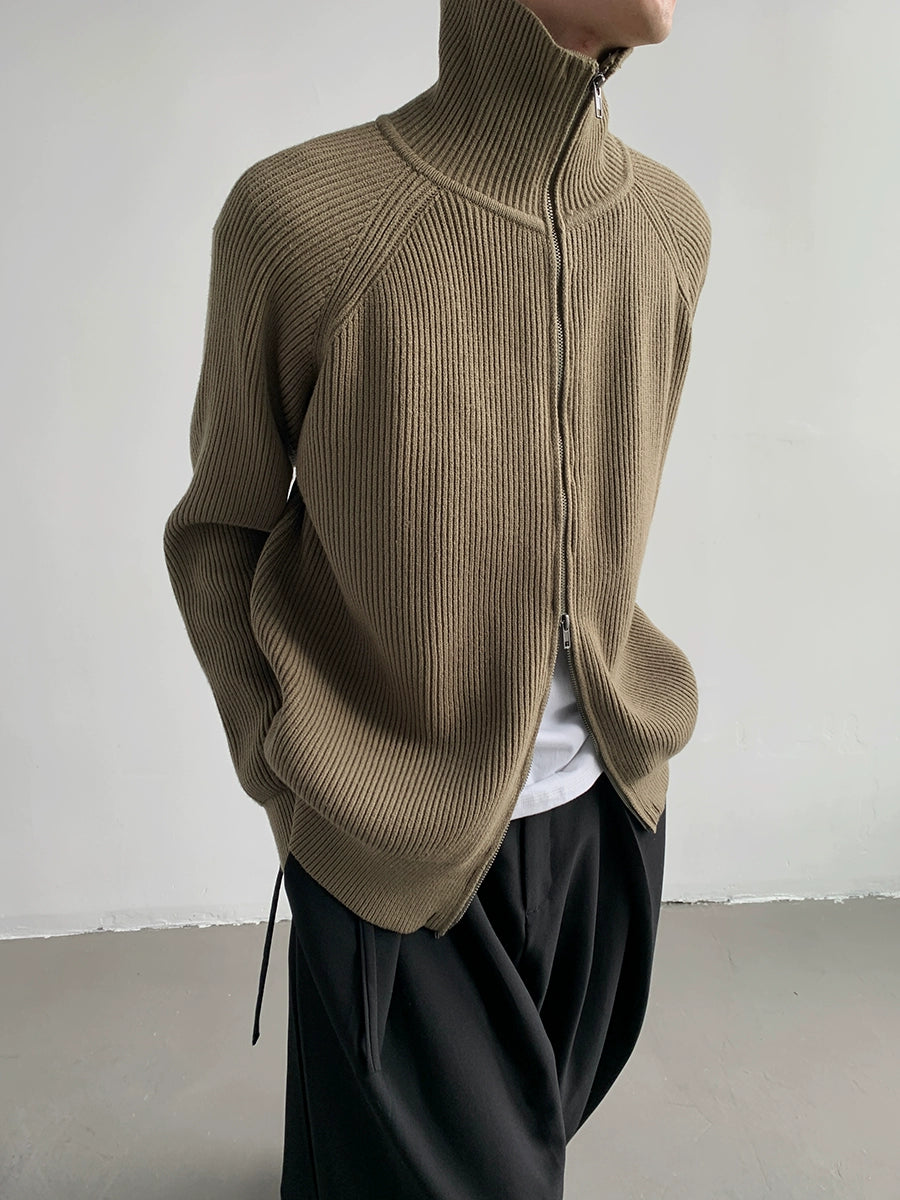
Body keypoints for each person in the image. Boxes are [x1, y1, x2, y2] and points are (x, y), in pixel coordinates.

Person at [162, 0, 710, 1194]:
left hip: (610, 814)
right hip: (384, 829)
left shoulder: (669, 226)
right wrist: (288, 774)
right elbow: (220, 531)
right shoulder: (303, 217)